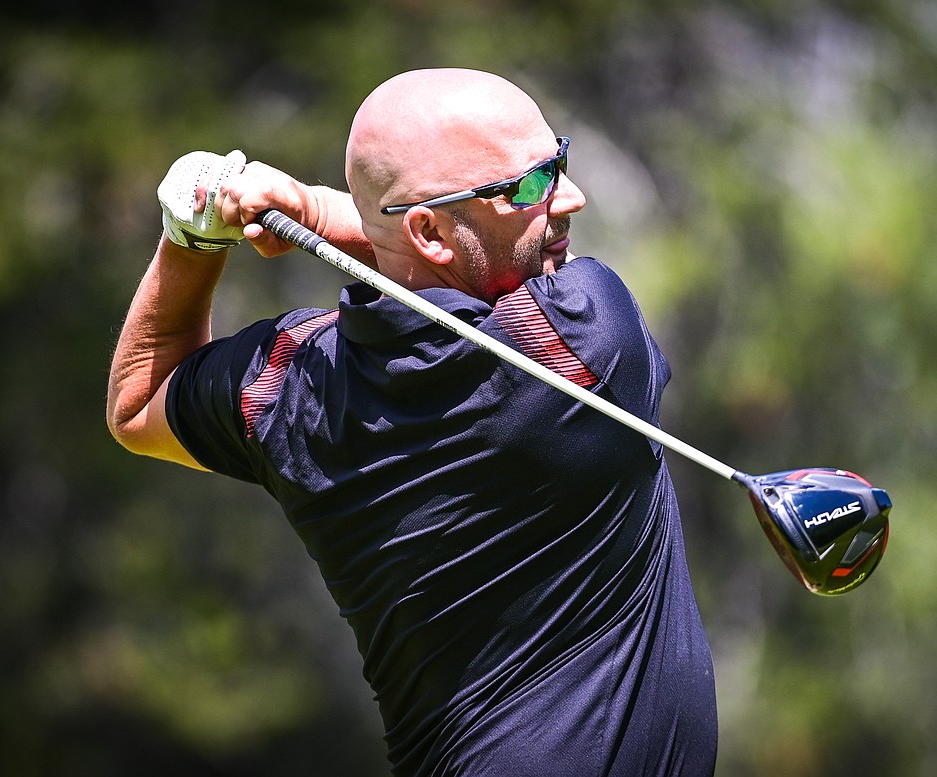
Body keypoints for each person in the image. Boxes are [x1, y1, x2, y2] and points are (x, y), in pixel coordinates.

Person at [107, 68, 717, 776]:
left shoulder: (290, 384)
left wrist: (191, 238)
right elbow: (460, 276)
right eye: (528, 186)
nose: (569, 196)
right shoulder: (584, 347)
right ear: (429, 229)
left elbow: (138, 400)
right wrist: (311, 210)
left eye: (558, 161)